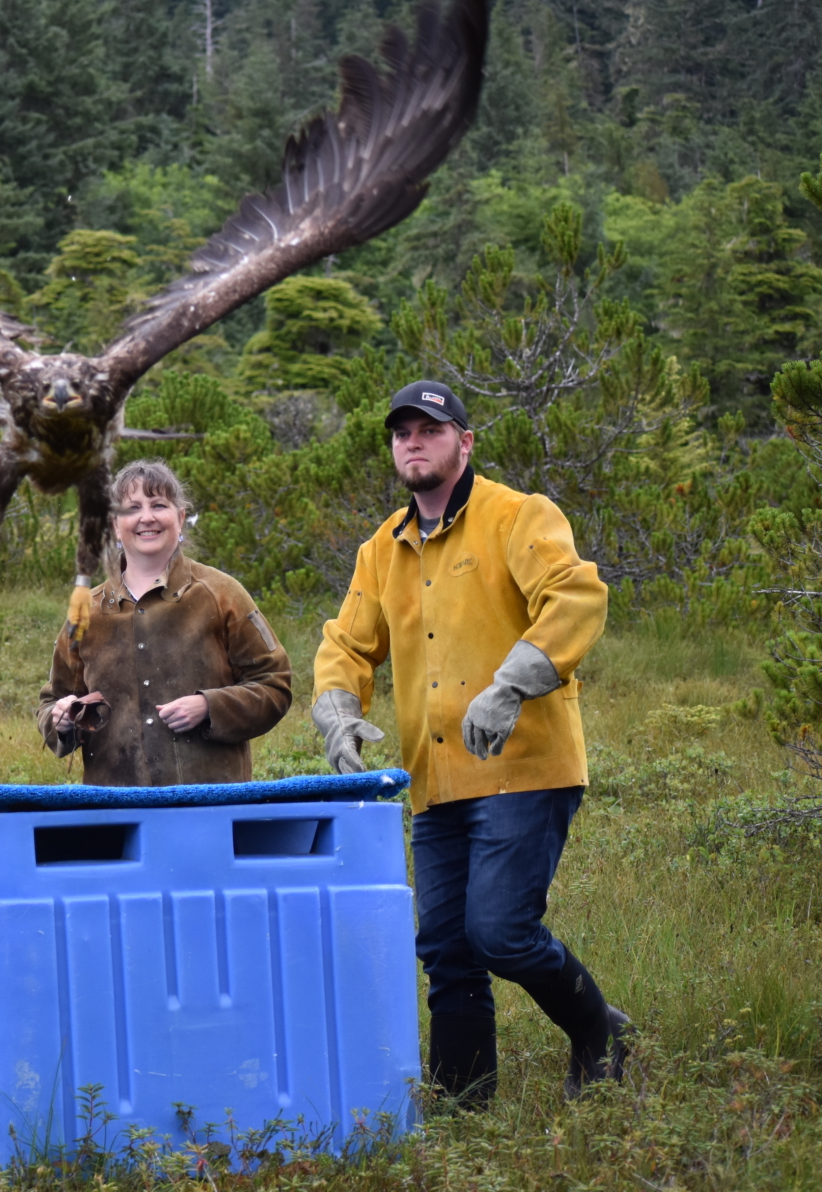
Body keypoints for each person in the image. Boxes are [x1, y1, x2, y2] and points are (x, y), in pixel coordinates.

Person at [311, 380, 629, 1107]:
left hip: (524, 767)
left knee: (500, 931)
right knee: (446, 950)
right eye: (402, 432)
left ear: (465, 441)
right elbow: (345, 645)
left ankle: (600, 1032)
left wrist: (512, 682)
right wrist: (337, 712)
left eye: (430, 427)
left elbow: (575, 596)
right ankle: (463, 1102)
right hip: (436, 779)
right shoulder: (381, 549)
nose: (414, 441)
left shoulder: (518, 516)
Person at [40, 459, 291, 785]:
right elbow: (52, 701)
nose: (147, 517)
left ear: (180, 517)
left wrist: (209, 706)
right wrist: (61, 719)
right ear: (115, 524)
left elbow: (275, 685)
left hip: (209, 806)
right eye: (132, 508)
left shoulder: (222, 594)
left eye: (159, 504)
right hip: (115, 813)